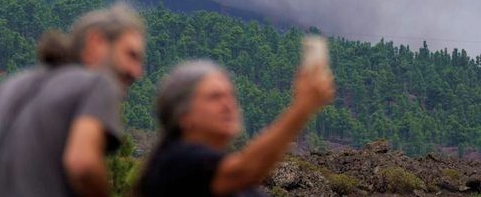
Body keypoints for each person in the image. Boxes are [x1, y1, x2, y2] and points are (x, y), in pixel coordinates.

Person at [0, 1, 146, 197]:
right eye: (131, 55)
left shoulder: (13, 86)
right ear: (96, 42)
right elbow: (83, 163)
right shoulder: (98, 84)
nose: (137, 72)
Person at [135, 59, 335, 197]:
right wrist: (302, 107)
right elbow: (247, 170)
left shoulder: (216, 166)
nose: (228, 104)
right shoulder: (175, 162)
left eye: (230, 95)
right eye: (215, 97)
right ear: (184, 116)